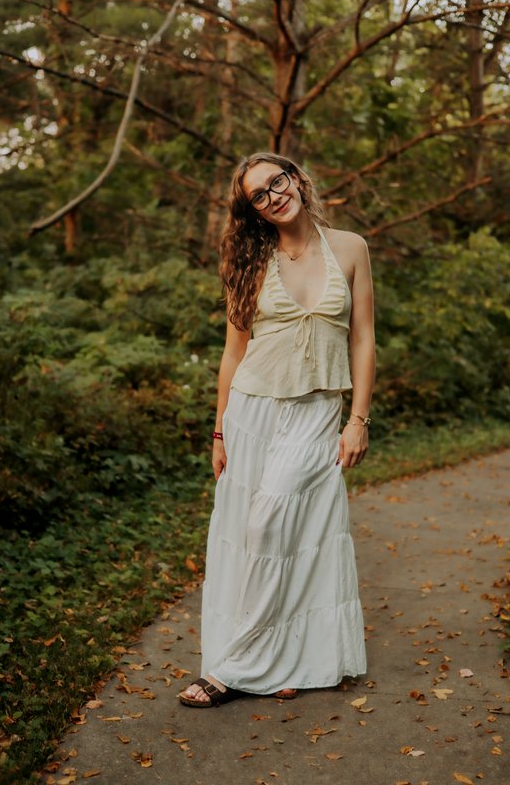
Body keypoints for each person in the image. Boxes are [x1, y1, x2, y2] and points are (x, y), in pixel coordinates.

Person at [179, 151, 375, 708]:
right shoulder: (251, 260)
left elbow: (363, 338)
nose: (274, 196)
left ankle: (232, 670)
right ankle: (283, 659)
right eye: (259, 195)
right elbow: (233, 353)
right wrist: (219, 432)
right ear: (254, 211)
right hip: (253, 411)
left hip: (317, 413)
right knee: (259, 537)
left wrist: (358, 420)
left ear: (298, 179)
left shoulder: (351, 248)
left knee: (274, 525)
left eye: (278, 181)